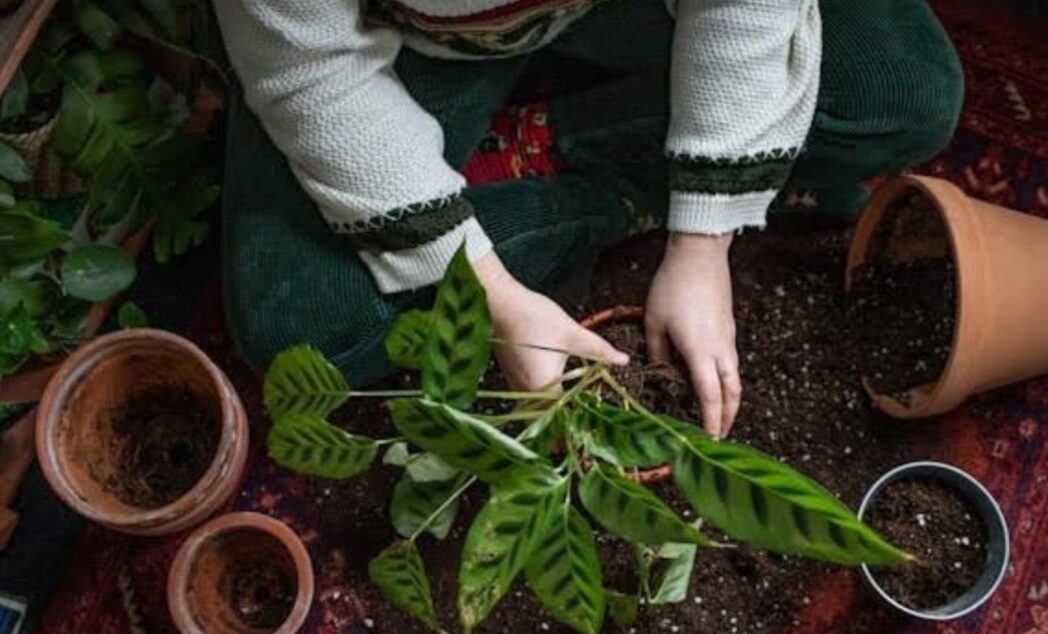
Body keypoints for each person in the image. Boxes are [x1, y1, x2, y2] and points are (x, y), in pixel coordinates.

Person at [212, 0, 963, 436]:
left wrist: (703, 240)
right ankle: (593, 163)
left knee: (904, 95)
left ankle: (541, 150)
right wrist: (492, 297)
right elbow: (310, 72)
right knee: (298, 321)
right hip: (418, 37)